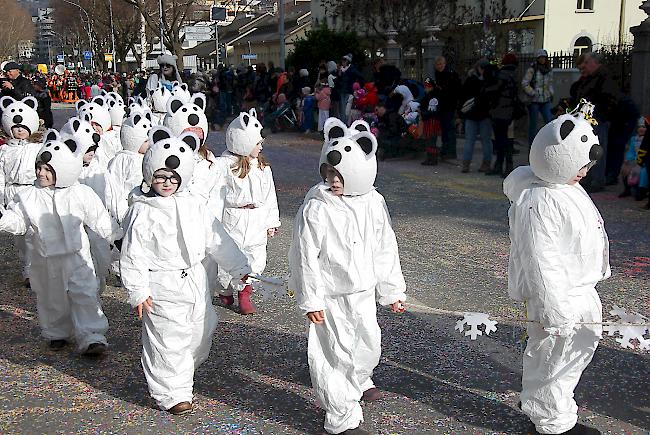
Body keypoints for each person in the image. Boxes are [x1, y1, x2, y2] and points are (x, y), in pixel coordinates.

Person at [120, 126, 251, 415]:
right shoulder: (143, 211)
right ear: (149, 175)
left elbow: (217, 238)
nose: (166, 183)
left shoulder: (194, 205)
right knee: (168, 338)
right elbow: (134, 254)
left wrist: (238, 267)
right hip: (161, 282)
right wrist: (138, 290)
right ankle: (171, 393)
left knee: (200, 331)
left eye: (173, 178)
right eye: (160, 177)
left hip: (194, 278)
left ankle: (182, 370)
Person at [289, 118, 406, 435]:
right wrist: (311, 298)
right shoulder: (319, 206)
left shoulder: (373, 202)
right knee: (335, 355)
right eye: (328, 172)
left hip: (363, 294)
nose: (333, 180)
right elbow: (305, 255)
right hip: (331, 297)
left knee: (368, 347)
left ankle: (357, 381)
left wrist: (392, 290)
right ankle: (341, 418)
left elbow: (385, 247)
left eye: (339, 174)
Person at [503, 101, 608, 435]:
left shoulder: (565, 188)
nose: (582, 173)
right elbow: (541, 259)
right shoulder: (540, 200)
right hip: (558, 296)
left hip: (579, 290)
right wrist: (554, 309)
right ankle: (551, 422)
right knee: (551, 357)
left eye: (586, 168)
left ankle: (551, 406)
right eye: (578, 166)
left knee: (575, 353)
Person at [0, 129, 122, 354]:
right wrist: (4, 219)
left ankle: (92, 334)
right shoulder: (29, 196)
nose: (41, 173)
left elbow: (100, 219)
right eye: (39, 168)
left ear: (63, 169)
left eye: (48, 169)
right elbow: (18, 222)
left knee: (84, 292)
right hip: (45, 257)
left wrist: (116, 237)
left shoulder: (80, 193)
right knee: (51, 296)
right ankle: (57, 331)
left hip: (77, 255)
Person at [214, 110, 281, 315]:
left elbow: (270, 195)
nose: (260, 147)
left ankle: (245, 293)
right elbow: (216, 195)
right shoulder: (223, 165)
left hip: (257, 218)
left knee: (255, 256)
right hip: (233, 218)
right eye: (257, 143)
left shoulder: (262, 167)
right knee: (229, 255)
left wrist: (271, 221)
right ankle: (225, 290)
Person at [0, 96, 43, 287]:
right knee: (20, 236)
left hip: (32, 191)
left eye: (23, 127)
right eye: (16, 127)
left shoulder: (37, 149)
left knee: (34, 232)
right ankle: (27, 269)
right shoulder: (4, 151)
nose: (19, 131)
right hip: (12, 193)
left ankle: (36, 269)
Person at [569, 52, 620, 192]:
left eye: (586, 63)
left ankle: (596, 181)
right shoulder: (591, 78)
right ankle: (590, 179)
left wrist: (599, 115)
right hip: (589, 117)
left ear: (594, 63)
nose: (584, 66)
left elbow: (608, 98)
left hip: (598, 118)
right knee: (589, 149)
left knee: (596, 149)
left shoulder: (603, 77)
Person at [486, 53, 520, 177]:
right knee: (507, 139)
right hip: (510, 110)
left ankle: (500, 165)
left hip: (499, 110)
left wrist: (486, 91)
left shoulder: (502, 74)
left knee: (500, 139)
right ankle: (507, 166)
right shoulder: (516, 74)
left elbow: (495, 89)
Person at [459, 59, 494, 173]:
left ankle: (466, 164)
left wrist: (461, 114)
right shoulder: (490, 81)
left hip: (472, 114)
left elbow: (463, 97)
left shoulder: (471, 80)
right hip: (484, 114)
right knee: (486, 141)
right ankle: (486, 164)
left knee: (470, 141)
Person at [522, 49, 554, 147]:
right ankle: (532, 145)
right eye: (540, 58)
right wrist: (532, 92)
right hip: (534, 101)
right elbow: (524, 83)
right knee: (533, 125)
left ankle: (549, 143)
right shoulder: (532, 70)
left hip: (545, 99)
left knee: (549, 121)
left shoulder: (549, 70)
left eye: (544, 58)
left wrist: (551, 93)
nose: (542, 60)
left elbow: (550, 83)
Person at [432, 56, 461, 160]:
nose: (439, 66)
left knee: (449, 129)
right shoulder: (438, 75)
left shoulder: (451, 75)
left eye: (441, 64)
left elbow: (455, 92)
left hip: (449, 106)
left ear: (444, 64)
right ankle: (446, 150)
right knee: (445, 130)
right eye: (437, 65)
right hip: (442, 106)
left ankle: (450, 151)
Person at [618, 116, 646, 199]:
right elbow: (631, 151)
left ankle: (641, 191)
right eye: (639, 127)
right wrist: (628, 160)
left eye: (644, 127)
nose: (641, 129)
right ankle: (627, 189)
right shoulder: (634, 139)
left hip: (644, 162)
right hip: (634, 160)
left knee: (642, 172)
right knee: (625, 168)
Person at [336, 54, 364, 123]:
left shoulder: (352, 69)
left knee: (347, 108)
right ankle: (343, 122)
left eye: (344, 61)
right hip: (342, 90)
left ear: (347, 61)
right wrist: (339, 74)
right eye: (342, 61)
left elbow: (360, 76)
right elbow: (338, 80)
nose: (343, 62)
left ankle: (346, 122)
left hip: (349, 91)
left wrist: (356, 85)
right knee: (342, 108)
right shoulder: (341, 70)